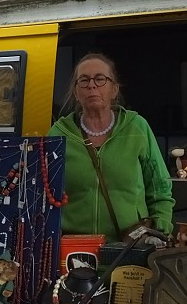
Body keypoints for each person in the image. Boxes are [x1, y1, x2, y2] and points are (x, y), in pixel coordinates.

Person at [48, 52, 174, 240]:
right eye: (83, 80)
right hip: (73, 249)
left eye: (100, 79)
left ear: (114, 89)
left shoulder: (137, 128)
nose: (91, 85)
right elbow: (41, 193)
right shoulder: (58, 134)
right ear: (76, 92)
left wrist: (161, 229)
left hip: (130, 246)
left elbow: (160, 188)